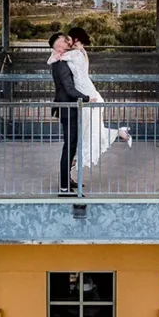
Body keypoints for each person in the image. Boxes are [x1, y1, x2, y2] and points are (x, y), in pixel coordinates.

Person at [50, 26, 131, 170]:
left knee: (88, 131)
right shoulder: (82, 52)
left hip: (87, 96)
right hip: (90, 93)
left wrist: (56, 50)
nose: (67, 42)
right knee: (90, 130)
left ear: (75, 39)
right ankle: (118, 133)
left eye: (68, 38)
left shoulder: (74, 54)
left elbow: (53, 60)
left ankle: (74, 162)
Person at [48, 32, 90, 195]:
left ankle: (67, 180)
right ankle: (64, 187)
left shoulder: (61, 61)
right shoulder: (61, 64)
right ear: (57, 45)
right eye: (63, 41)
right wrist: (87, 98)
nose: (67, 42)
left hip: (70, 108)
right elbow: (68, 88)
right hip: (68, 109)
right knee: (69, 146)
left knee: (72, 146)